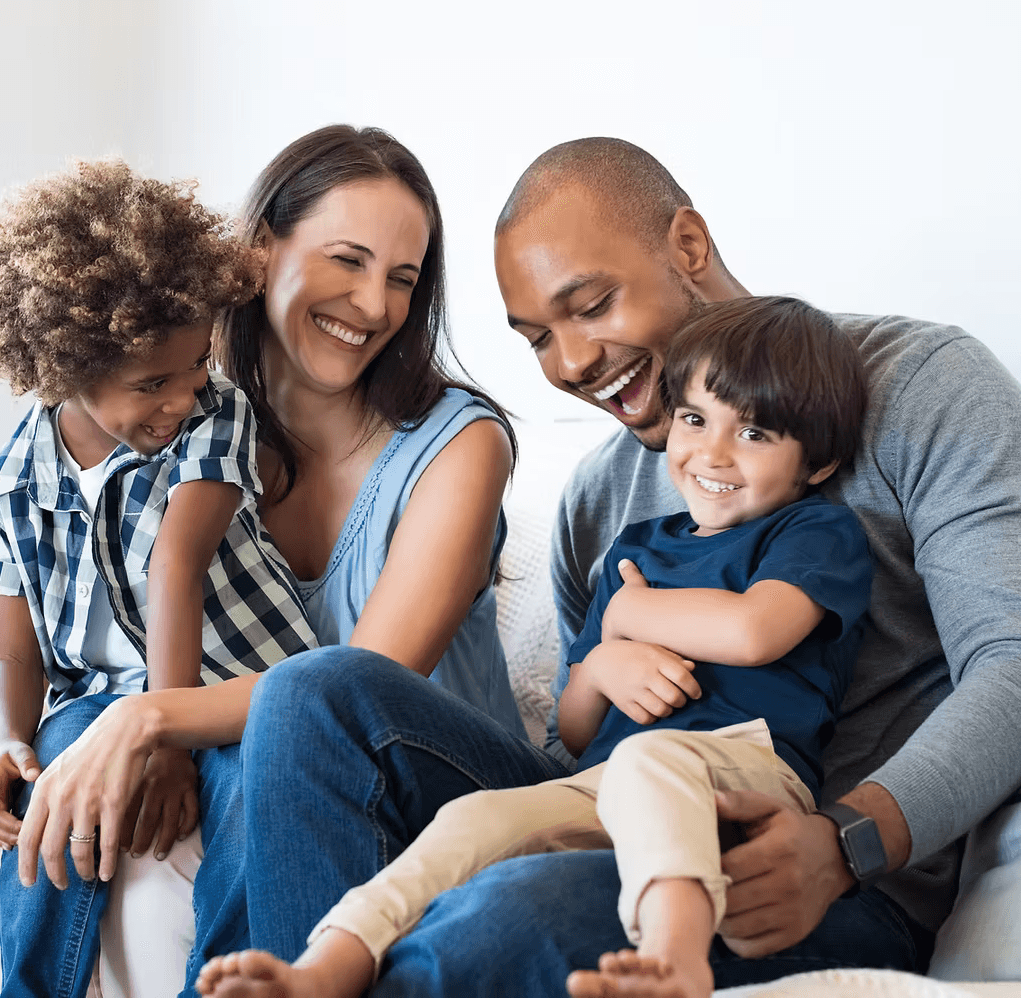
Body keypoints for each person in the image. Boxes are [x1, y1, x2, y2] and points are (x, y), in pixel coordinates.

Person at [215, 136, 1021, 997]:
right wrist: (601, 667)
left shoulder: (922, 385)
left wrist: (846, 843)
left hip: (811, 869)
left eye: (590, 305)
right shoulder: (599, 499)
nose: (571, 364)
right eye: (536, 340)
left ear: (688, 247)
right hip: (624, 811)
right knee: (312, 692)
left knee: (504, 913)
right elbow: (577, 743)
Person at [0, 125, 540, 998]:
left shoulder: (457, 446)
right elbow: (86, 630)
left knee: (285, 728)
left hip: (428, 781)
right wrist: (15, 753)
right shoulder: (182, 429)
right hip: (268, 752)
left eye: (402, 279)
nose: (373, 305)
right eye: (346, 261)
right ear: (255, 256)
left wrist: (146, 721)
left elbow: (359, 687)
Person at [196, 294, 873, 998]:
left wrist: (631, 614)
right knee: (474, 819)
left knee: (651, 757)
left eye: (755, 434)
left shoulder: (812, 533)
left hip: (746, 773)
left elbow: (754, 630)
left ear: (816, 463)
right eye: (695, 419)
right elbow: (576, 729)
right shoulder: (635, 549)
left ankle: (676, 959)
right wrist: (605, 658)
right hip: (603, 783)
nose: (712, 453)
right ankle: (326, 966)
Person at [0, 159, 321, 998]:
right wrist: (10, 743)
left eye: (195, 365)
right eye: (150, 383)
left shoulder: (214, 415)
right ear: (62, 368)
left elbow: (175, 564)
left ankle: (229, 985)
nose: (181, 395)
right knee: (56, 775)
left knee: (248, 794)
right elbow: (15, 658)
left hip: (243, 687)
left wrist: (161, 736)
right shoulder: (7, 488)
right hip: (98, 699)